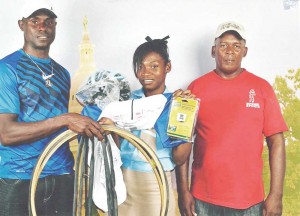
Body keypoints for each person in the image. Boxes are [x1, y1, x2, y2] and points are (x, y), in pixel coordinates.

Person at [0, 1, 105, 216]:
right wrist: (66, 119)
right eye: (34, 21)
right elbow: (6, 134)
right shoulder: (7, 69)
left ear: (55, 26)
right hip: (19, 176)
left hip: (62, 173)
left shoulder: (63, 73)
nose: (42, 27)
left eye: (48, 22)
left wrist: (93, 119)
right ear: (22, 25)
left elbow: (64, 124)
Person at [176, 21, 288, 216]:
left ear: (245, 51)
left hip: (249, 200)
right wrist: (182, 190)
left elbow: (276, 141)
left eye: (236, 46)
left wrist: (276, 194)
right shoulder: (195, 89)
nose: (229, 51)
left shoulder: (262, 89)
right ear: (213, 50)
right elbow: (182, 143)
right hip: (203, 198)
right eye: (223, 45)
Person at [82, 36, 193, 215]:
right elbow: (114, 149)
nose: (145, 73)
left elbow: (180, 159)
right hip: (124, 185)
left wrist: (186, 118)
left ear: (168, 67)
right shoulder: (124, 101)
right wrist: (108, 128)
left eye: (154, 66)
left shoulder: (176, 103)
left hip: (157, 187)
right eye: (140, 67)